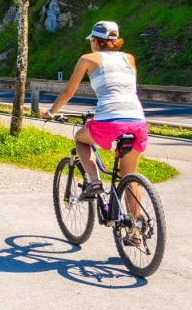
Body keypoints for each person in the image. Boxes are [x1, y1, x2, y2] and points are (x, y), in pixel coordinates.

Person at [41, 21, 148, 242]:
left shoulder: (87, 59)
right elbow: (124, 89)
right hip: (137, 120)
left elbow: (69, 92)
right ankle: (135, 230)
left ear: (96, 41)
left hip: (109, 120)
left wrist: (51, 112)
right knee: (129, 177)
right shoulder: (129, 58)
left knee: (81, 139)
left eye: (92, 40)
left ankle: (94, 181)